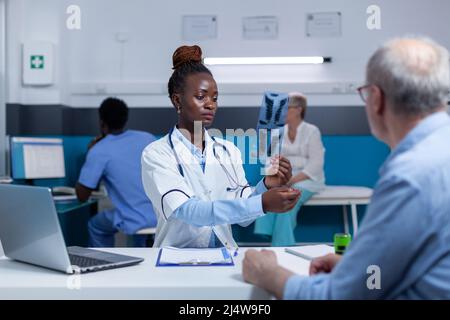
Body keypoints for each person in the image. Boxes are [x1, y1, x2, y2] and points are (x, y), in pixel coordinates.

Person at [242, 37, 450, 299]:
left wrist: (269, 275)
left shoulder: (410, 177)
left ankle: (278, 251)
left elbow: (340, 296)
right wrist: (358, 269)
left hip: (307, 180)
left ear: (375, 99)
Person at [141, 45, 301, 249]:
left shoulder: (228, 151)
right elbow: (188, 211)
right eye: (201, 97)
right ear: (177, 100)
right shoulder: (156, 154)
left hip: (225, 255)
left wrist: (266, 186)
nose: (211, 104)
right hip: (177, 258)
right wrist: (263, 203)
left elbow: (244, 216)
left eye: (214, 98)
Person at [76, 97, 157, 247]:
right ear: (125, 119)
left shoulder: (99, 150)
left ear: (102, 122)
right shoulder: (147, 138)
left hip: (134, 220)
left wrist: (91, 152)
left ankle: (102, 262)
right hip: (162, 215)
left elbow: (82, 196)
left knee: (95, 225)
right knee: (146, 234)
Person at [254, 92, 325, 246]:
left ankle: (281, 245)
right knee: (272, 193)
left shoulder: (312, 131)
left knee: (287, 198)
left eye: (286, 108)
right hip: (284, 178)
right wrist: (276, 176)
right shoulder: (278, 132)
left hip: (307, 180)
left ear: (299, 109)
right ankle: (271, 235)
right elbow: (269, 159)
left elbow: (316, 164)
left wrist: (291, 180)